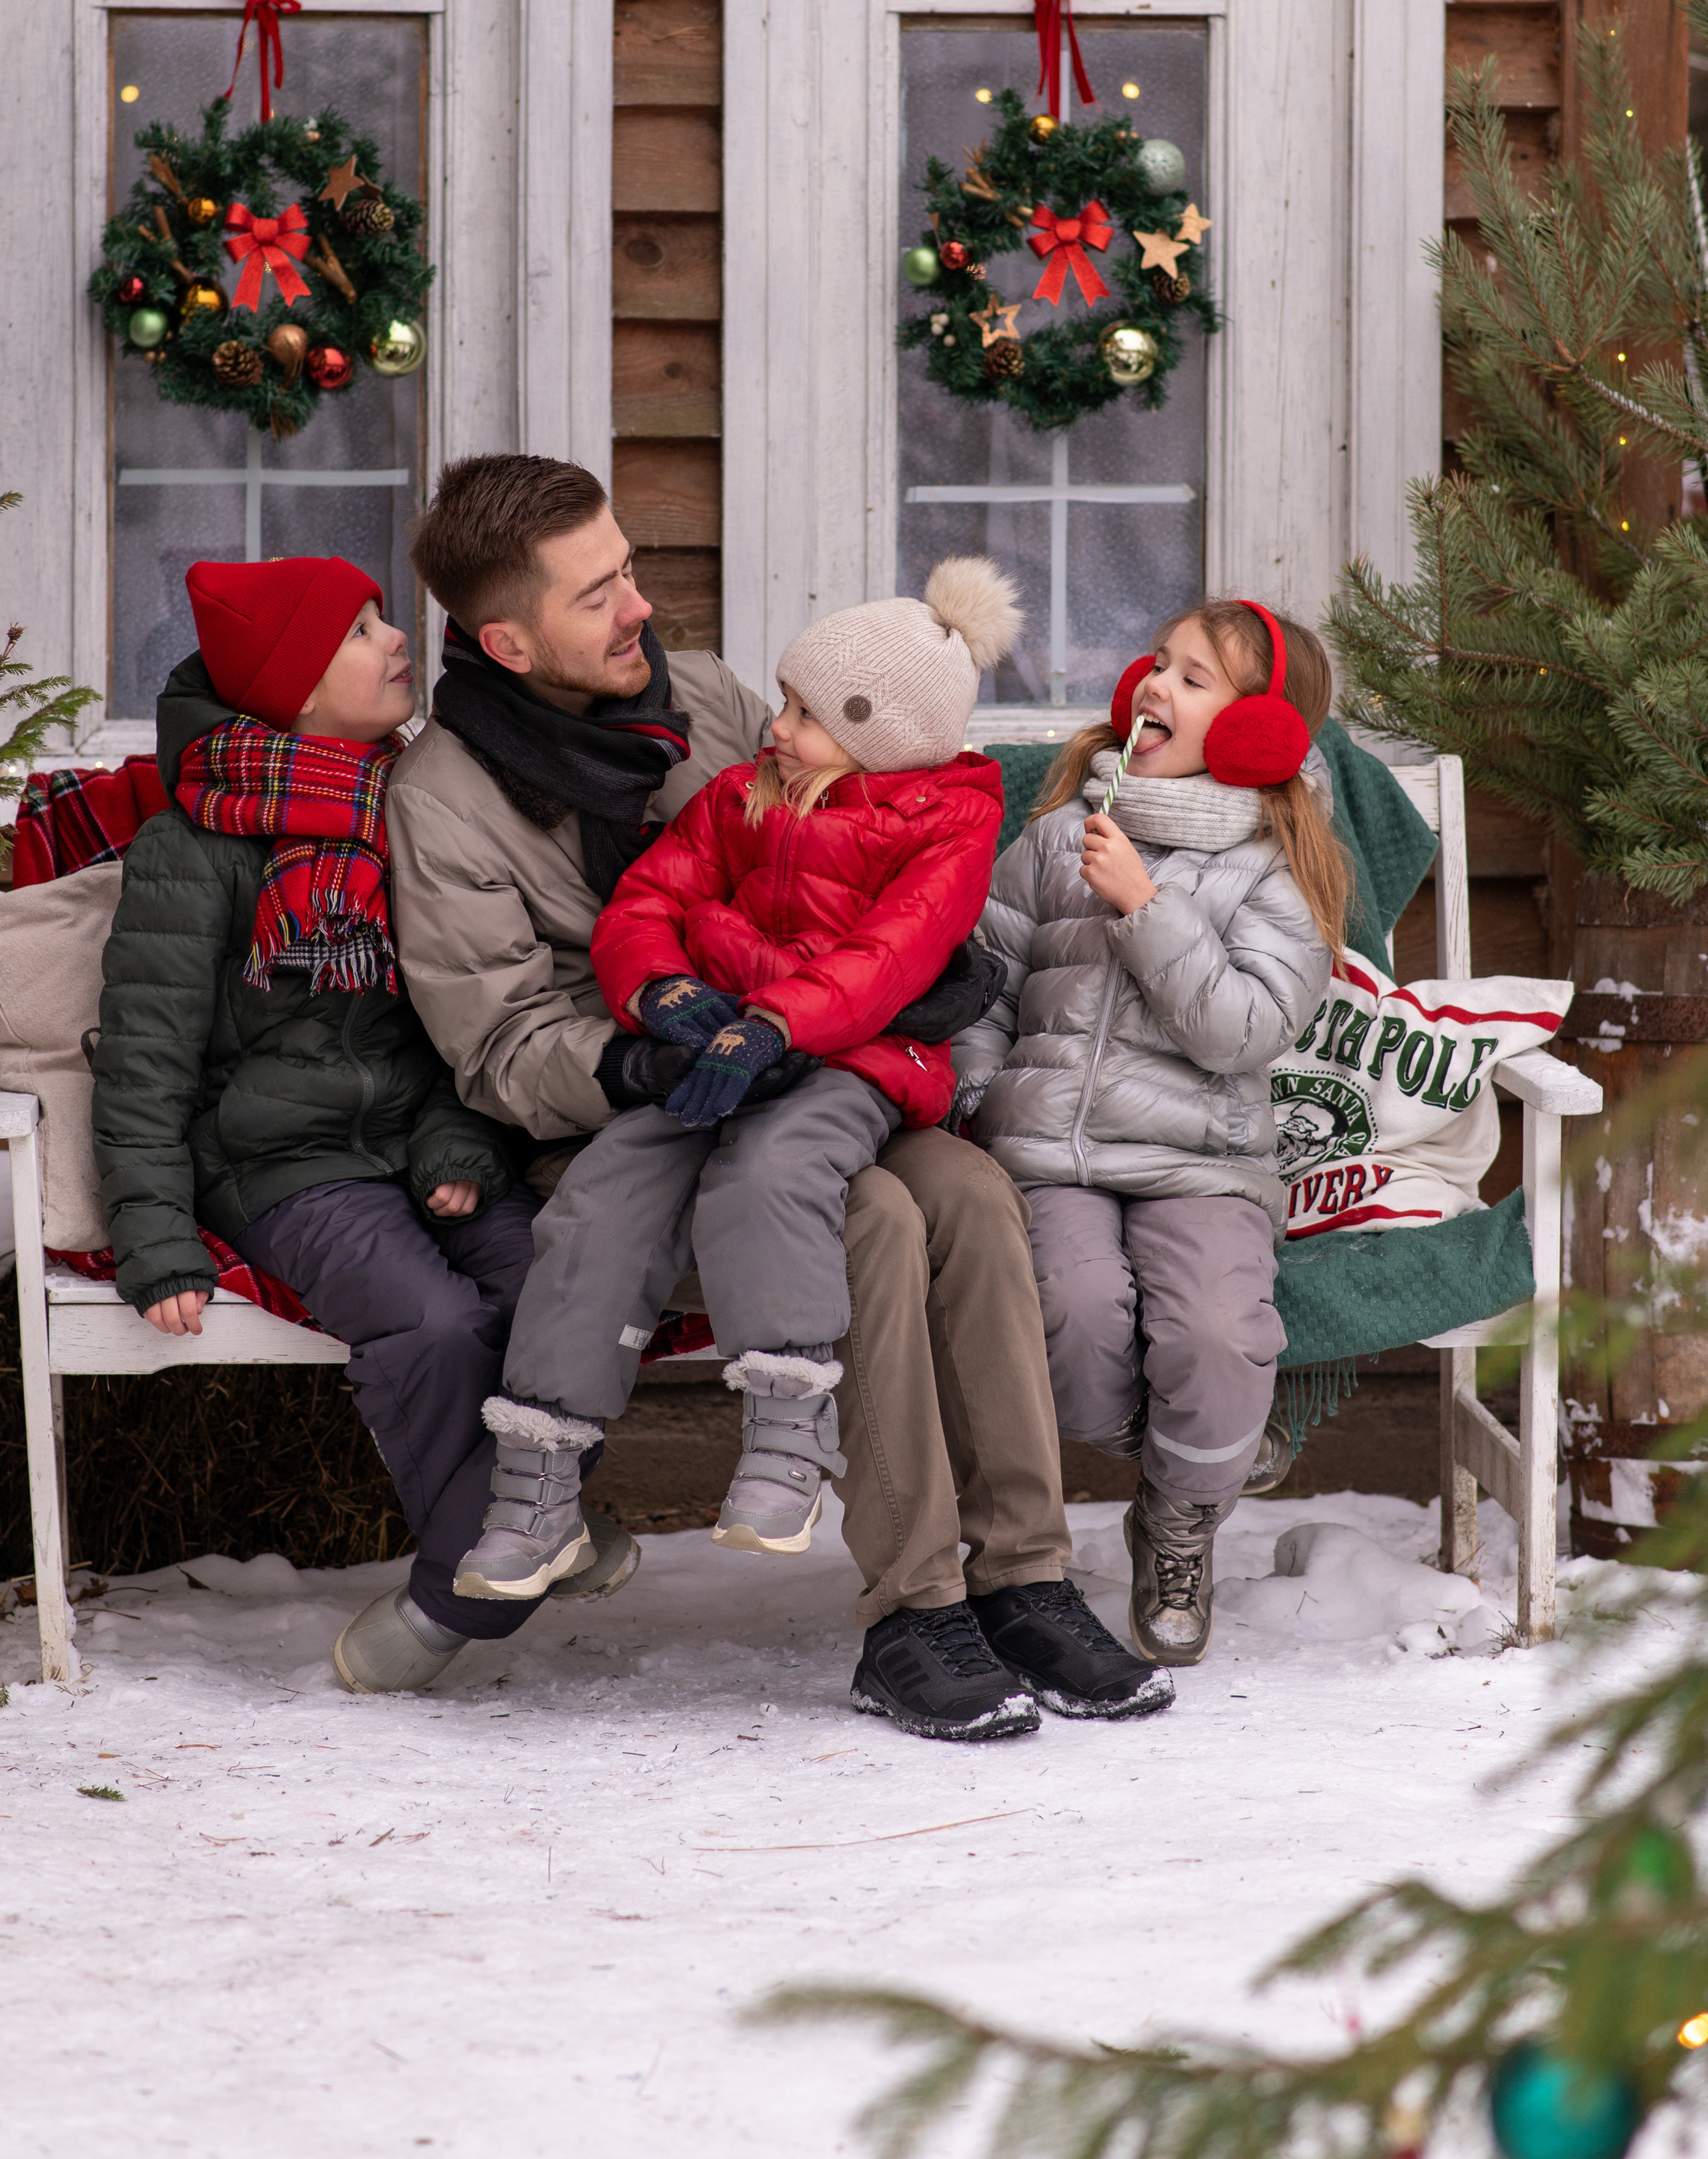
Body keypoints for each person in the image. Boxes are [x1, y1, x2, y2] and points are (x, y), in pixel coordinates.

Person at [386, 453, 1171, 1741]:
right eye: (599, 596)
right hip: (634, 1129)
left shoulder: (697, 698)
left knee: (971, 1194)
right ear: (509, 641)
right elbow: (498, 1047)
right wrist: (647, 1056)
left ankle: (1022, 1574)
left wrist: (918, 976)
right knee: (879, 1224)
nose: (640, 607)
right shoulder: (447, 801)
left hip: (810, 1071)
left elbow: (848, 841)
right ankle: (914, 1608)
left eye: (630, 568)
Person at [89, 555, 632, 1706]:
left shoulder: (415, 808)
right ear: (288, 690)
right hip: (279, 1165)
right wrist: (151, 1234)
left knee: (547, 1280)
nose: (398, 639)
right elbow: (146, 1057)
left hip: (422, 1142)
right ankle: (481, 1579)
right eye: (358, 631)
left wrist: (459, 1142)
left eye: (385, 616)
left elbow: (456, 1016)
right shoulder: (196, 850)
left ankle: (501, 1552)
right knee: (433, 1322)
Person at [451, 561, 1015, 1600]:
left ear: (879, 734)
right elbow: (646, 904)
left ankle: (786, 1448)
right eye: (786, 701)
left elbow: (892, 956)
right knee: (606, 1189)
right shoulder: (739, 795)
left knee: (776, 1169)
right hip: (718, 1050)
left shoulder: (949, 825)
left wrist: (775, 1020)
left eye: (804, 713)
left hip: (850, 1059)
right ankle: (536, 1486)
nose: (776, 726)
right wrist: (659, 993)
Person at [953, 599, 1349, 1670]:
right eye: (1159, 666)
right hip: (1049, 1154)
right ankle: (1200, 1461)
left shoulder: (1279, 868)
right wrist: (982, 1096)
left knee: (1217, 1338)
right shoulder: (1053, 840)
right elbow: (984, 991)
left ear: (1257, 728)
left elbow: (1245, 1032)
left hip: (1201, 1161)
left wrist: (1145, 907)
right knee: (1072, 1316)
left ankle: (1176, 1522)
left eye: (1195, 678)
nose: (1156, 689)